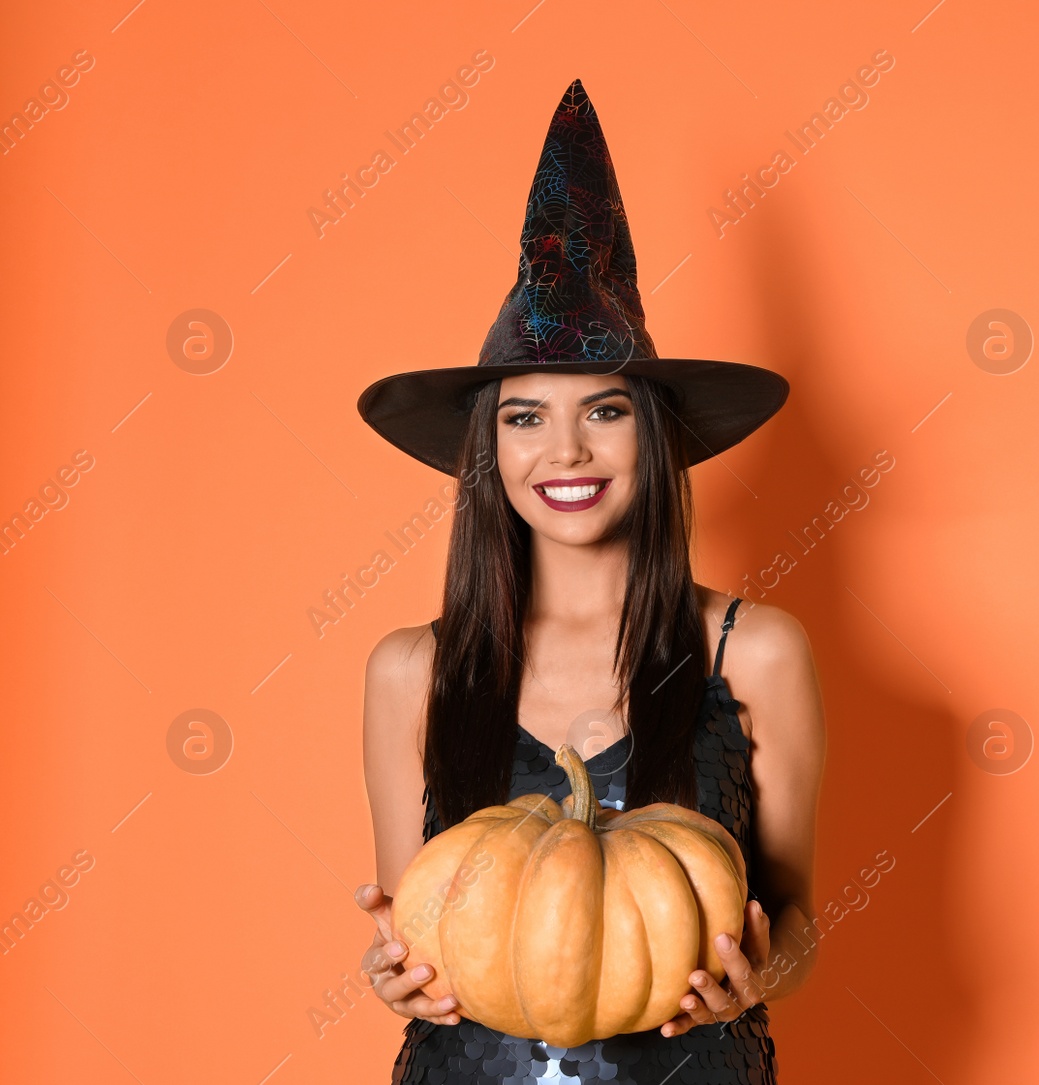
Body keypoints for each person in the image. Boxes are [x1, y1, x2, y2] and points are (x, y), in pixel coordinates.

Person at [349, 80, 824, 1083]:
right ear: (488, 448)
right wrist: (392, 973)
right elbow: (421, 931)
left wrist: (760, 972)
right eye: (523, 418)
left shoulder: (756, 650)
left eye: (603, 411)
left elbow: (796, 925)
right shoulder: (409, 670)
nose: (564, 449)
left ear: (651, 435)